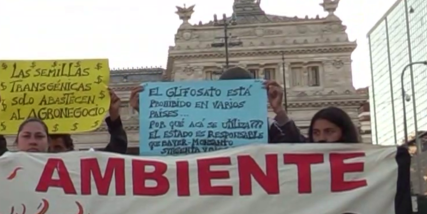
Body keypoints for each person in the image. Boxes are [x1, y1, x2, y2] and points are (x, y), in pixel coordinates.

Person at [129, 68, 304, 144]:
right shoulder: (203, 129)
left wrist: (279, 111)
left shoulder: (268, 128)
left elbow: (298, 150)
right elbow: (172, 143)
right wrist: (149, 114)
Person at [0, 90, 128, 156]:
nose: (32, 141)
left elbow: (115, 154)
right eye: (26, 136)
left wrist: (114, 117)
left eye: (39, 136)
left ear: (47, 141)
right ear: (17, 141)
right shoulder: (11, 164)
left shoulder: (72, 165)